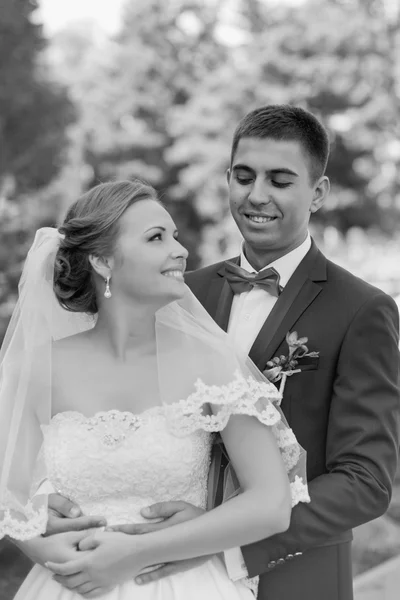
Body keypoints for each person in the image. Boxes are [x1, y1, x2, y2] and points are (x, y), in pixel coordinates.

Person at [21, 105, 400, 599]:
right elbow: (105, 407)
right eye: (244, 177)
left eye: (280, 181)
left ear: (319, 193)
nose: (256, 195)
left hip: (293, 575)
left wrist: (220, 542)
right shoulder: (177, 293)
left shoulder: (361, 309)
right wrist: (43, 502)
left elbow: (365, 480)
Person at [0, 180, 309, 600]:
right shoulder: (38, 367)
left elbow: (271, 504)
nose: (180, 251)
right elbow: (7, 494)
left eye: (175, 237)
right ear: (103, 261)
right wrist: (42, 546)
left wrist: (139, 552)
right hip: (70, 585)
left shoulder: (210, 361)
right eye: (156, 238)